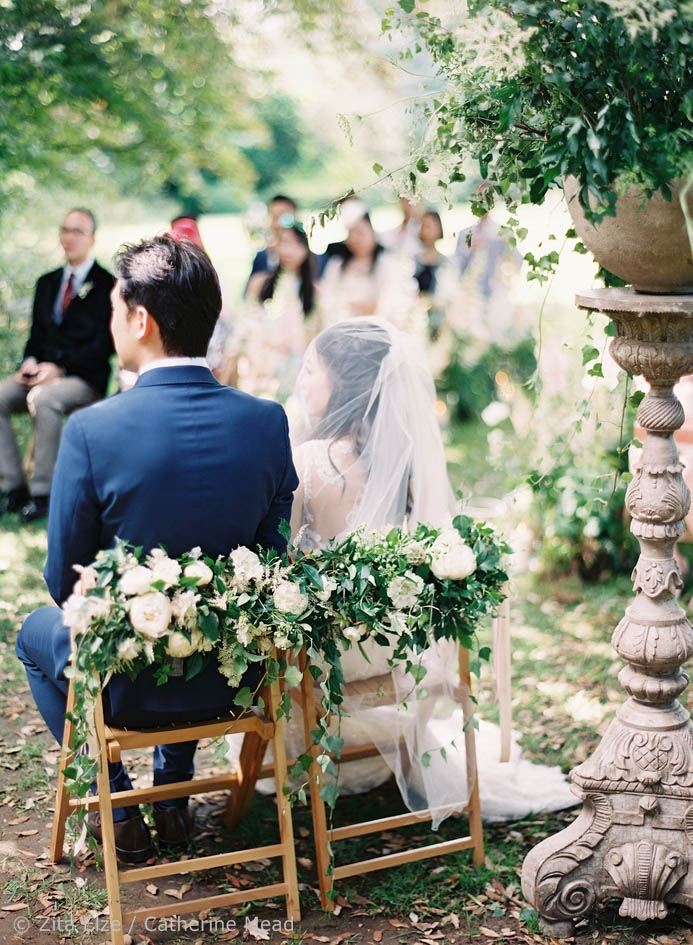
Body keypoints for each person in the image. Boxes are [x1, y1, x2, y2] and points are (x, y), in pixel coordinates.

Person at [16, 235, 298, 863]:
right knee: (199, 620)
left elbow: (63, 579)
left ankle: (116, 801)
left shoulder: (92, 429)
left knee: (32, 636)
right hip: (239, 678)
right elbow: (273, 563)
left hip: (125, 688)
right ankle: (171, 800)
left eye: (116, 309)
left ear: (140, 320)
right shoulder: (267, 421)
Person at [233, 319, 577, 823]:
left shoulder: (305, 461)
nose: (301, 382)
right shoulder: (400, 463)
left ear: (343, 387)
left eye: (311, 372)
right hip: (394, 651)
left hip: (327, 659)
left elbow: (278, 562)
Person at [0, 209, 115, 523]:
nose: (70, 237)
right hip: (41, 373)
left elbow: (104, 346)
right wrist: (29, 363)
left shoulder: (108, 285)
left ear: (92, 238)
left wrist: (59, 369)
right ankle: (13, 486)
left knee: (44, 399)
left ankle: (43, 493)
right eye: (65, 229)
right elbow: (35, 338)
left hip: (83, 379)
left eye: (78, 231)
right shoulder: (47, 282)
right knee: (1, 394)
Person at [231, 222, 319, 399]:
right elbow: (243, 328)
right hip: (258, 369)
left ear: (305, 248)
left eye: (295, 244)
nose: (289, 251)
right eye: (284, 243)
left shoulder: (315, 292)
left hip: (296, 373)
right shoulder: (260, 283)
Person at [319, 199, 420, 335]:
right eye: (351, 233)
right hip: (344, 328)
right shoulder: (337, 264)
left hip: (378, 329)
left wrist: (372, 310)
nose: (355, 239)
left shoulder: (387, 263)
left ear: (372, 232)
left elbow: (394, 299)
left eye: (361, 233)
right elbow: (328, 296)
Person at [414, 209, 459, 342]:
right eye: (423, 225)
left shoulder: (446, 263)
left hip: (437, 323)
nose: (426, 230)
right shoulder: (412, 260)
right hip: (414, 321)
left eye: (430, 226)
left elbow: (448, 295)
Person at [244, 194, 298, 291]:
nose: (278, 224)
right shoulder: (262, 257)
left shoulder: (316, 259)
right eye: (274, 217)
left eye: (284, 217)